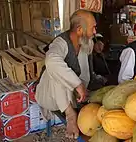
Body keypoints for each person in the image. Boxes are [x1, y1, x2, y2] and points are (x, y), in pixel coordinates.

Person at [35, 9, 96, 139]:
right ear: (79, 29)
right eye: (93, 28)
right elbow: (51, 61)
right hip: (49, 96)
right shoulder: (60, 43)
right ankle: (70, 116)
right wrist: (78, 84)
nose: (95, 32)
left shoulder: (84, 41)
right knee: (55, 68)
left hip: (74, 96)